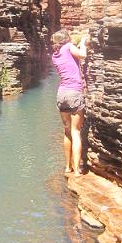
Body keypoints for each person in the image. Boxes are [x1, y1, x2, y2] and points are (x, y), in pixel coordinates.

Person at [51, 29, 88, 176]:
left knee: (67, 131)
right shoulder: (68, 47)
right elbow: (82, 55)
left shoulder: (54, 55)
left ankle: (68, 167)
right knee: (76, 132)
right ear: (66, 39)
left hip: (61, 94)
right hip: (74, 92)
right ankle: (77, 170)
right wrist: (83, 43)